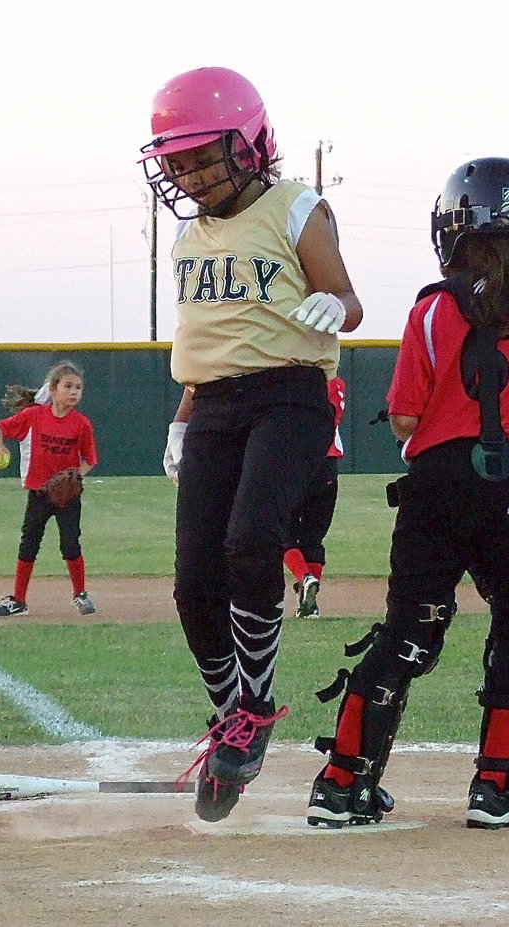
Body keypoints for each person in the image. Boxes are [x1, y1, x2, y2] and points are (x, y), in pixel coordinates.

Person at [306, 157, 509, 830]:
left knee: (410, 629)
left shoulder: (432, 306)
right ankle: (496, 788)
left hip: (434, 489)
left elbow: (406, 419)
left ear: (450, 229)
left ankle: (343, 782)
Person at [140, 65, 362, 822]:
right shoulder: (187, 237)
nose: (192, 175)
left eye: (204, 156)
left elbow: (349, 299)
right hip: (214, 406)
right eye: (178, 163)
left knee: (250, 540)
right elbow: (207, 341)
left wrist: (333, 304)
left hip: (290, 394)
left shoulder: (295, 206)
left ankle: (256, 706)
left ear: (251, 142)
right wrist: (182, 416)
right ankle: (231, 716)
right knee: (193, 582)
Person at [0, 361, 98, 617]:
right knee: (29, 544)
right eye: (68, 386)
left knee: (70, 544)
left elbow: (90, 459)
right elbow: (0, 427)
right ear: (53, 388)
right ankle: (18, 600)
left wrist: (74, 477)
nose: (74, 392)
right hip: (39, 493)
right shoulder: (35, 416)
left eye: (78, 387)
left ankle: (80, 594)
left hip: (67, 497)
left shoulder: (81, 424)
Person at [284, 375, 346, 619]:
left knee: (284, 535)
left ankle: (304, 577)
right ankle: (309, 604)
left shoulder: (294, 382)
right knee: (313, 538)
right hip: (328, 466)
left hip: (296, 463)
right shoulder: (337, 384)